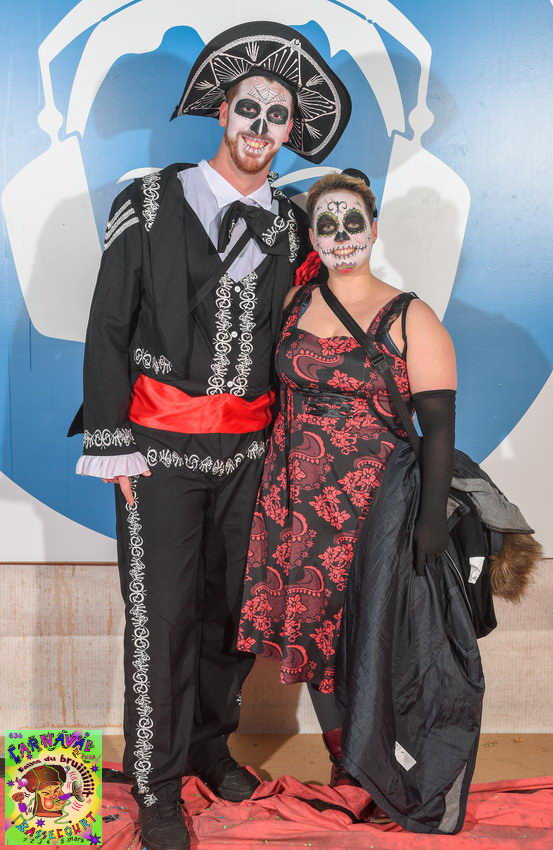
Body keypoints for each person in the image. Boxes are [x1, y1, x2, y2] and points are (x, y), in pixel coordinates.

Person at [68, 22, 351, 850]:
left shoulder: (293, 224)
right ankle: (156, 784)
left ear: (291, 132)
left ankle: (205, 746)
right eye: (248, 109)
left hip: (251, 455)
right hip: (156, 450)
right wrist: (112, 442)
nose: (261, 127)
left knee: (232, 613)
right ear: (222, 113)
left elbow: (304, 335)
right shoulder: (151, 200)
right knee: (161, 617)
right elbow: (108, 324)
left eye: (277, 116)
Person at [237, 170, 457, 785]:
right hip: (295, 503)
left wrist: (431, 520)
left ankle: (381, 762)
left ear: (374, 230)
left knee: (370, 635)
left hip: (375, 507)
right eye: (326, 224)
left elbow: (440, 428)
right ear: (312, 236)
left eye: (352, 222)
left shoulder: (411, 315)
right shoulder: (294, 303)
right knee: (312, 630)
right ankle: (348, 769)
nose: (340, 235)